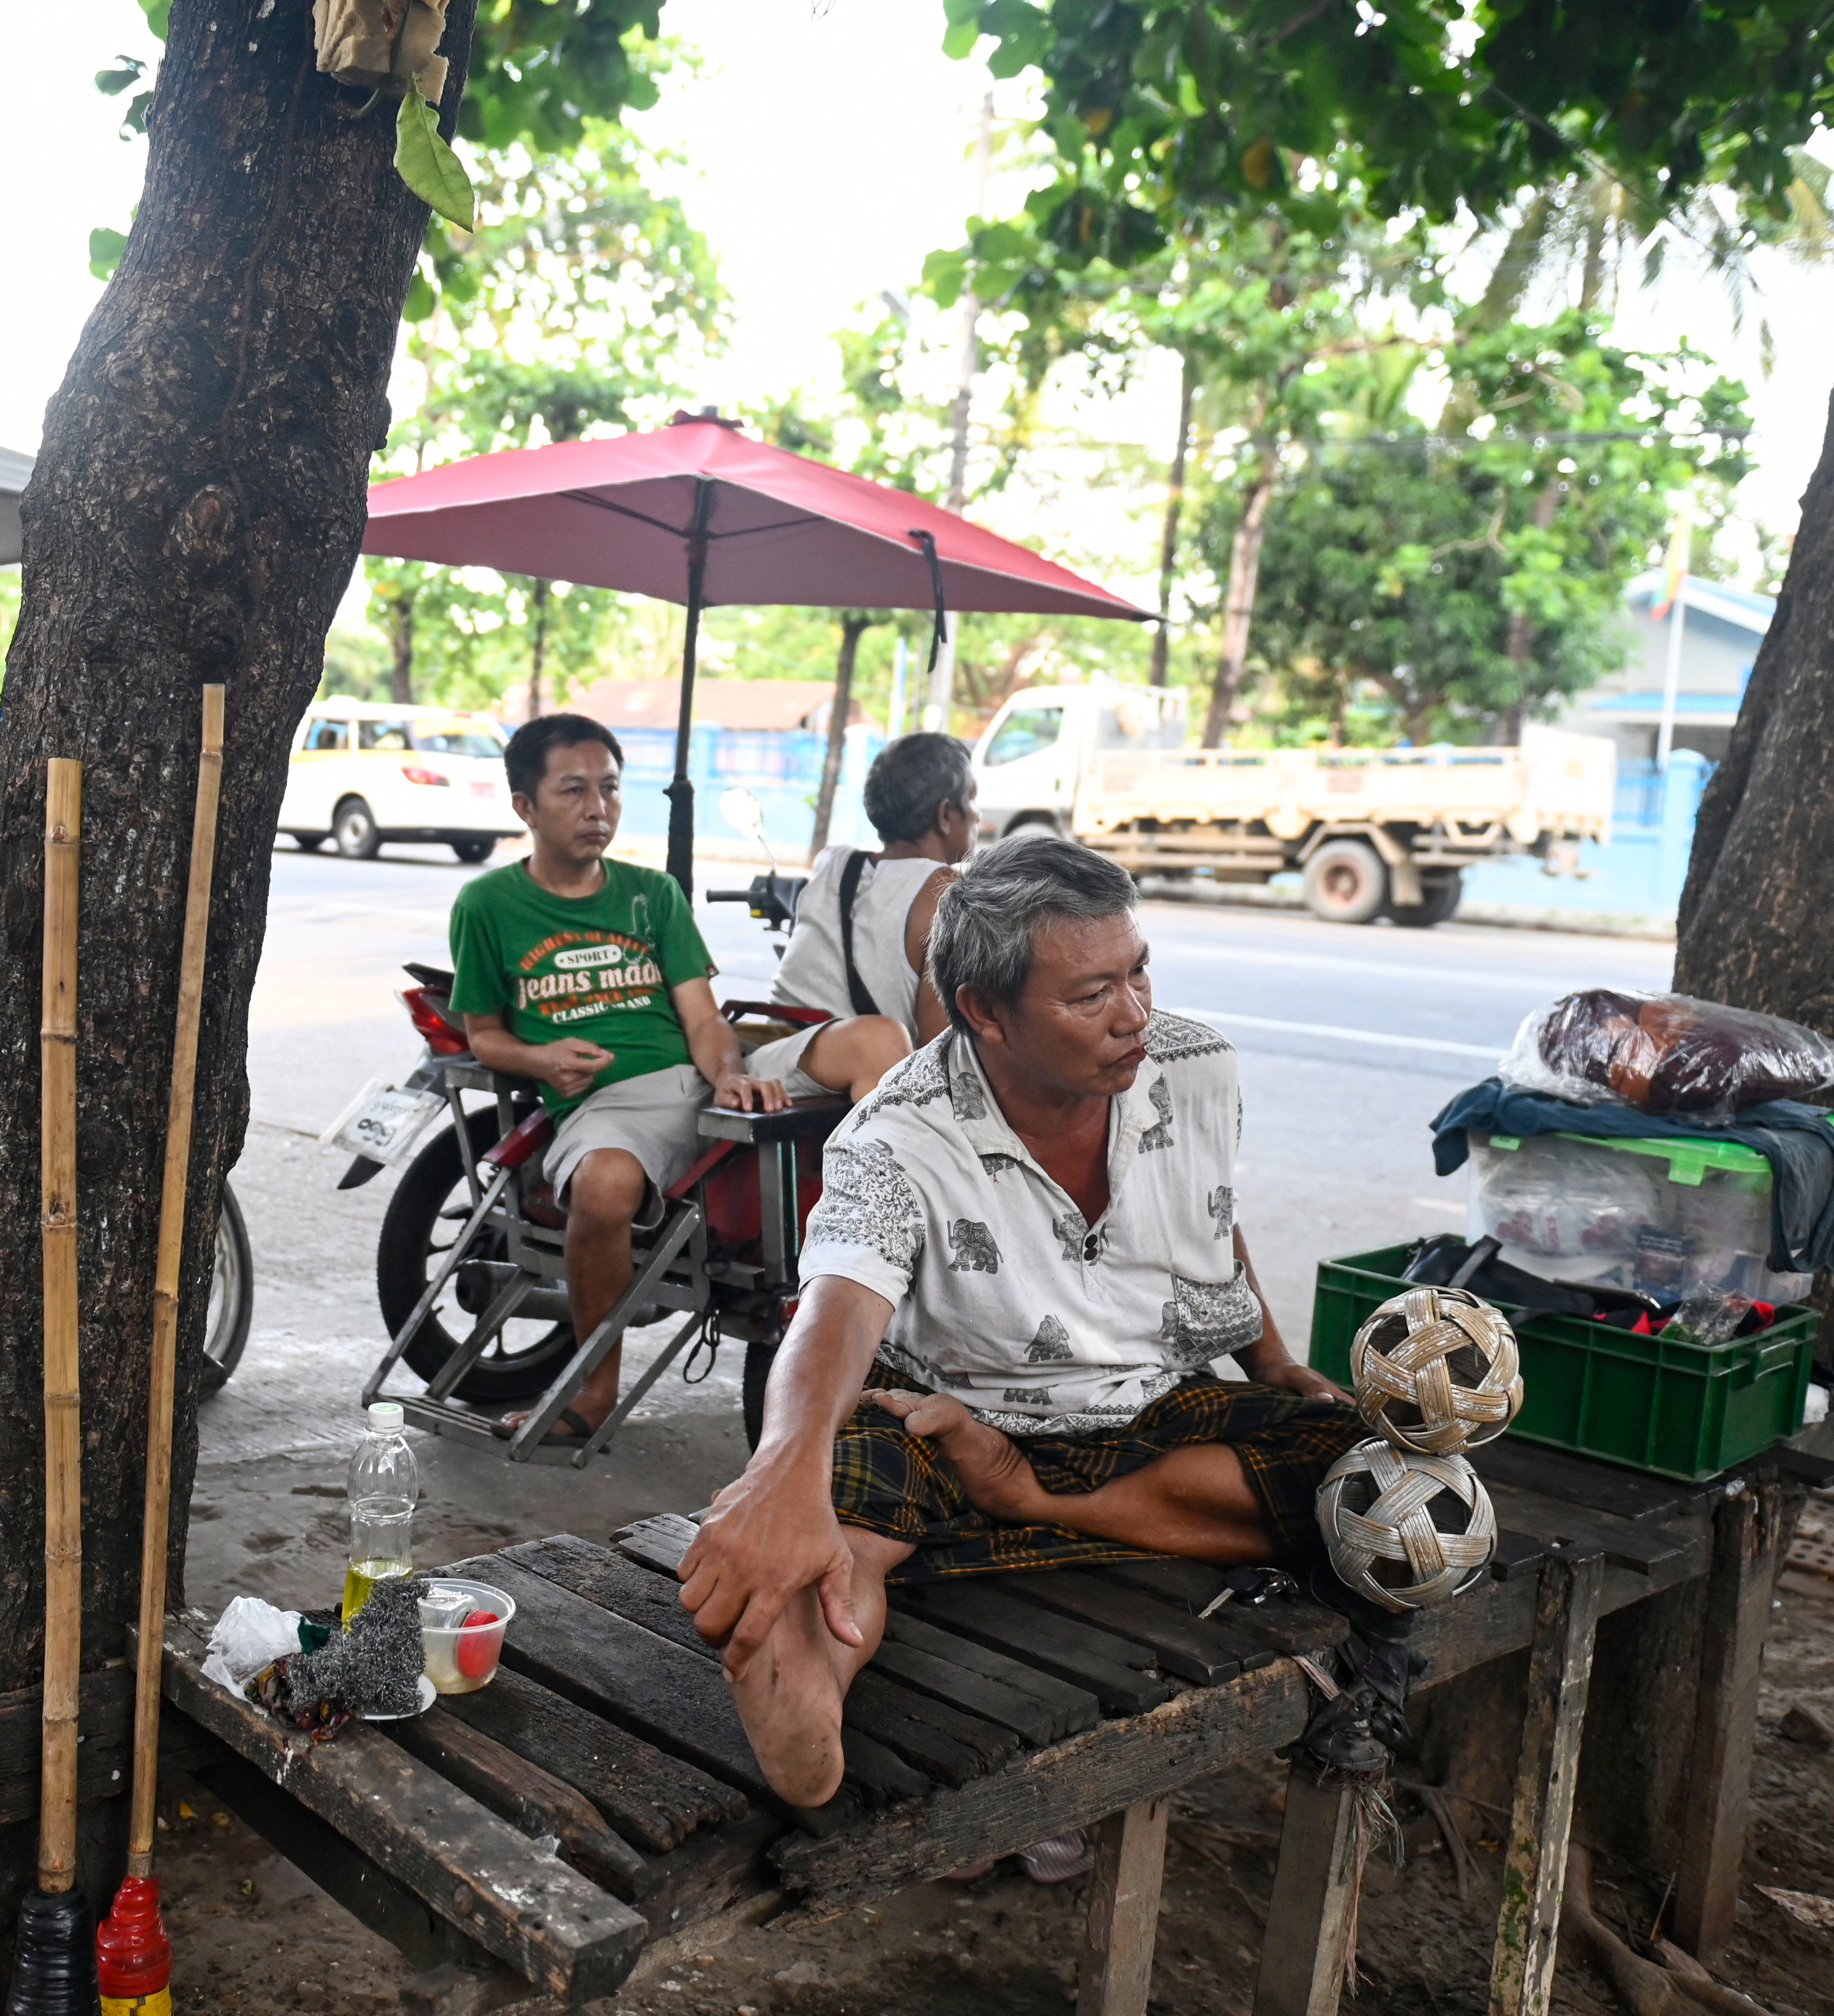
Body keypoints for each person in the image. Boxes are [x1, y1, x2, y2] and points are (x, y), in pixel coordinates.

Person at [673, 836, 1404, 1809]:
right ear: (984, 1010)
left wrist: (1268, 1357)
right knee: (844, 1501)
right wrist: (783, 1466)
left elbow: (1207, 1220)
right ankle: (806, 1670)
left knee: (1380, 1485)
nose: (1132, 1013)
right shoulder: (897, 1131)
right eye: (1089, 992)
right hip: (952, 1410)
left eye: (1137, 969)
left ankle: (1027, 1507)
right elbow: (836, 1302)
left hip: (1150, 1401)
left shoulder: (1196, 1065)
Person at [448, 714, 911, 1440]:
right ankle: (592, 1391)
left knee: (880, 1039)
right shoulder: (488, 906)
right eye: (573, 791)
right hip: (609, 1104)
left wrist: (729, 1073)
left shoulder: (652, 894)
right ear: (524, 806)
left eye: (609, 788)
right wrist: (542, 1060)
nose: (597, 808)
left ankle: (876, 1253)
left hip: (702, 1077)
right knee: (602, 1185)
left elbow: (701, 1019)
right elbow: (483, 1035)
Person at [772, 730, 977, 1043]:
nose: (977, 814)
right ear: (946, 814)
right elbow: (939, 1051)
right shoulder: (945, 892)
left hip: (769, 1050)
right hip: (841, 1081)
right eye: (972, 799)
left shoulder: (832, 862)